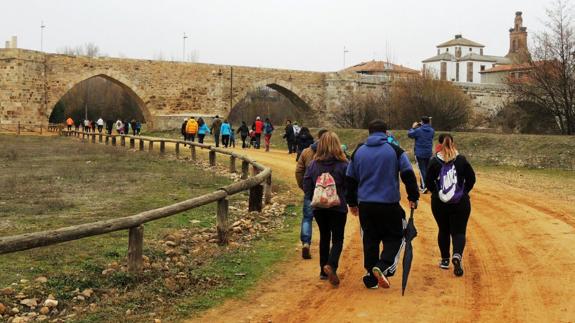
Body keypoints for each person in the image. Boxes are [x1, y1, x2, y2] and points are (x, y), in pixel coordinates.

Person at [346, 119, 420, 289]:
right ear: (386, 133)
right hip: (389, 203)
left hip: (365, 204)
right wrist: (413, 196)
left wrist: (351, 202)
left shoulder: (358, 152)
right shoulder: (395, 151)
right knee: (396, 236)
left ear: (369, 133)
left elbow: (350, 179)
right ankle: (383, 265)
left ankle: (371, 277)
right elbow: (408, 174)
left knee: (370, 239)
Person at [425, 134, 476, 277]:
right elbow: (472, 179)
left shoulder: (434, 161)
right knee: (459, 231)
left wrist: (437, 193)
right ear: (453, 143)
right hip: (461, 202)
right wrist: (463, 192)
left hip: (439, 203)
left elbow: (428, 182)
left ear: (439, 144)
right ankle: (457, 254)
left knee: (443, 230)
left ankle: (445, 260)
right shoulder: (461, 160)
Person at [303, 131, 349, 286]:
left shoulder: (313, 165)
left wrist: (311, 198)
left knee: (324, 236)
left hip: (319, 208)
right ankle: (332, 264)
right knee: (338, 238)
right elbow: (350, 185)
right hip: (338, 207)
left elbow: (307, 183)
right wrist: (348, 199)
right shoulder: (344, 165)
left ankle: (323, 271)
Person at [295, 129, 326, 260]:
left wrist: (304, 187)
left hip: (311, 191)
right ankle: (326, 247)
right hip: (327, 192)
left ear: (317, 138)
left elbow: (299, 172)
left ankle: (306, 243)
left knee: (307, 218)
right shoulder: (332, 152)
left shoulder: (307, 152)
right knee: (327, 220)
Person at [408, 116, 435, 193]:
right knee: (427, 169)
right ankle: (425, 185)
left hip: (419, 153)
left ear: (422, 122)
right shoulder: (432, 130)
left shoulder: (418, 130)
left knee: (422, 170)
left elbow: (410, 135)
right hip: (428, 152)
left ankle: (424, 187)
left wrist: (413, 127)